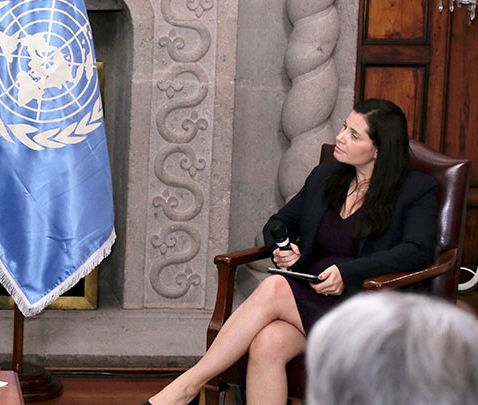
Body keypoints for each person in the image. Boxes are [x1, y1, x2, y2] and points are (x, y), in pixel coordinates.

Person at [147, 98, 439, 405]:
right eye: (343, 127)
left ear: (379, 150)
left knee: (275, 287)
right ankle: (186, 389)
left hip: (368, 303)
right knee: (268, 343)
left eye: (354, 135)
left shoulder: (416, 189)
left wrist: (348, 272)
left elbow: (417, 252)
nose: (340, 137)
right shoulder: (326, 177)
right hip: (313, 296)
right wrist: (283, 248)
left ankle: (187, 386)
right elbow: (279, 223)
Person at [307, 292, 478, 405]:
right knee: (278, 339)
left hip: (358, 292)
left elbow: (416, 251)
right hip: (318, 295)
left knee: (279, 287)